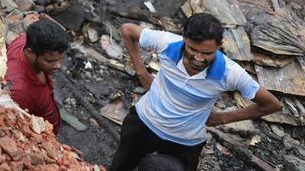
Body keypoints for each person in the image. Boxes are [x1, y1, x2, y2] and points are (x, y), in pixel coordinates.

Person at [112, 15, 281, 170]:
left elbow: (271, 104)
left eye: (207, 53)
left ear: (219, 46)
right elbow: (127, 30)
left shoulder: (230, 73)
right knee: (122, 165)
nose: (199, 58)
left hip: (185, 141)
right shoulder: (167, 43)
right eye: (193, 49)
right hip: (144, 121)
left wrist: (223, 117)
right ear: (184, 38)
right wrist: (142, 73)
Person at [6, 19, 69, 133]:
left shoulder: (23, 41)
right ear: (30, 53)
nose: (58, 66)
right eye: (50, 61)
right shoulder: (20, 91)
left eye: (61, 59)